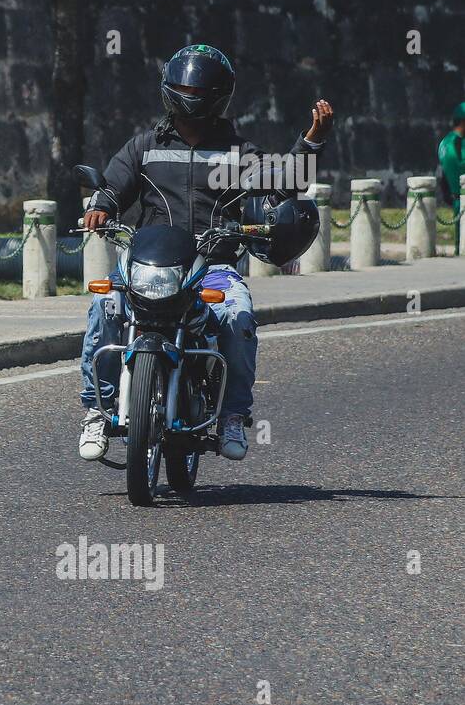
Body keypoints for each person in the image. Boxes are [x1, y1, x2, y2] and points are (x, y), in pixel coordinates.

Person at [77, 44, 333, 463]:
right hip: (148, 266)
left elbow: (285, 183)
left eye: (197, 88)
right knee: (105, 304)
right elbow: (112, 185)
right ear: (168, 90)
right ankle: (95, 410)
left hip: (210, 267)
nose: (190, 95)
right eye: (181, 86)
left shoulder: (239, 153)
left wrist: (312, 141)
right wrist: (101, 206)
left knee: (238, 314)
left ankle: (233, 414)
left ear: (218, 95)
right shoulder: (144, 145)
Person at [438, 102, 465, 244]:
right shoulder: (458, 143)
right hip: (462, 196)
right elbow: (460, 163)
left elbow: (443, 171)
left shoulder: (444, 142)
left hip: (454, 198)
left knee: (459, 242)